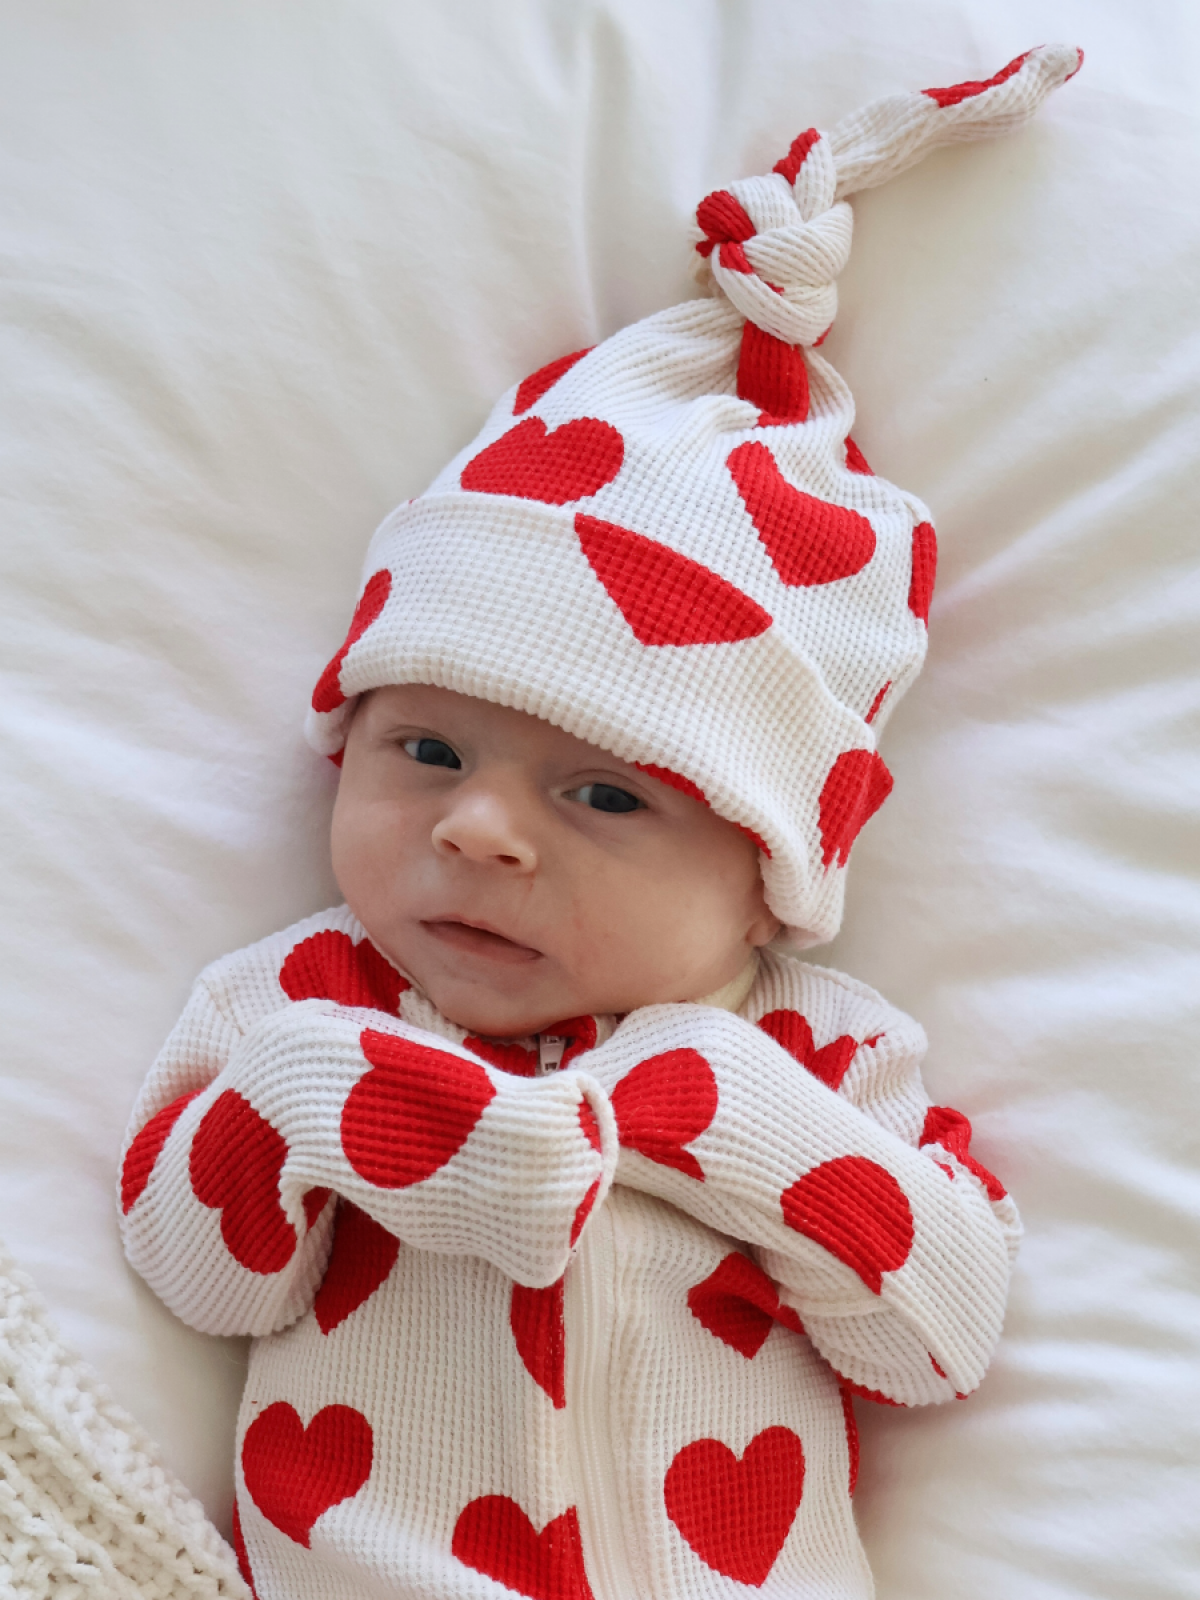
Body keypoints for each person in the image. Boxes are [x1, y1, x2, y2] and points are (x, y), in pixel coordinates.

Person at [119, 45, 1080, 1600]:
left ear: (773, 882)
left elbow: (938, 1337)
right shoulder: (302, 1004)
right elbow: (199, 1275)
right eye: (426, 749)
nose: (482, 831)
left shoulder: (824, 1055)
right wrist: (325, 1102)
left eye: (606, 794)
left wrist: (714, 1114)